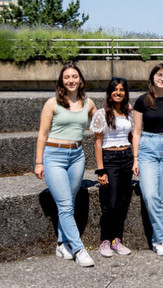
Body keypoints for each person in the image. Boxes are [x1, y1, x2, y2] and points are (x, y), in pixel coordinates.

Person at [34, 63, 97, 267]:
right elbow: (42, 135)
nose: (71, 80)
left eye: (74, 76)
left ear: (80, 80)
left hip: (77, 156)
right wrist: (38, 162)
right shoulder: (52, 103)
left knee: (68, 202)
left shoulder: (88, 103)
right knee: (65, 204)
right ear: (62, 81)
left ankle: (62, 243)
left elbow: (100, 121)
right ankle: (78, 248)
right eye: (67, 77)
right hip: (54, 156)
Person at [132, 63, 163, 256]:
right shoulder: (142, 101)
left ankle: (157, 241)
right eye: (159, 75)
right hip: (148, 147)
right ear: (152, 77)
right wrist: (135, 158)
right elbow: (136, 132)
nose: (162, 78)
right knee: (150, 194)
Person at [90, 77, 134, 258]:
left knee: (123, 201)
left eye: (122, 90)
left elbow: (131, 137)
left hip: (126, 158)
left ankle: (117, 240)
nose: (118, 93)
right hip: (110, 159)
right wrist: (101, 170)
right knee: (111, 202)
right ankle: (105, 241)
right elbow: (97, 143)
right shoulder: (101, 113)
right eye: (115, 90)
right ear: (109, 93)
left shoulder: (128, 112)